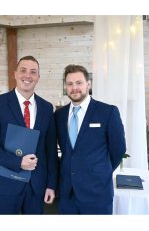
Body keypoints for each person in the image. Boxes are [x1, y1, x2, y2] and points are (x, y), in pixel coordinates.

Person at [0, 55, 58, 214]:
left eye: (33, 72)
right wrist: (18, 162)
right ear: (15, 74)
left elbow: (50, 150)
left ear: (38, 77)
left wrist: (51, 184)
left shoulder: (47, 108)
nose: (27, 76)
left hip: (36, 185)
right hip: (6, 183)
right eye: (23, 70)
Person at [55, 64, 126, 214]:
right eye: (70, 84)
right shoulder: (58, 116)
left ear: (89, 84)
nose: (74, 88)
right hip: (67, 193)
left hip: (97, 192)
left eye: (79, 83)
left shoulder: (107, 112)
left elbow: (118, 150)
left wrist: (99, 171)